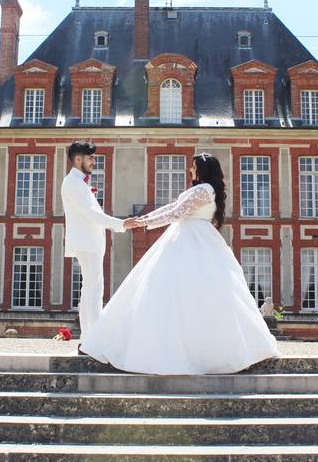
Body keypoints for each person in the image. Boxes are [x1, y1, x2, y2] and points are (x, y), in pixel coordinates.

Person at [79, 153, 280, 374]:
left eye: (193, 167)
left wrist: (142, 224)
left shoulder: (204, 190)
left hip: (192, 239)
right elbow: (172, 207)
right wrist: (142, 221)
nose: (190, 170)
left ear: (203, 170)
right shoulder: (201, 189)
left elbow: (177, 213)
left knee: (186, 291)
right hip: (186, 237)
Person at [60, 141, 137, 336]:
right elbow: (92, 214)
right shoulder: (73, 183)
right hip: (87, 243)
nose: (94, 161)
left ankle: (89, 336)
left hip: (89, 242)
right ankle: (93, 337)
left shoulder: (77, 182)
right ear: (78, 159)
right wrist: (122, 224)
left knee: (91, 288)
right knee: (93, 290)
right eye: (91, 158)